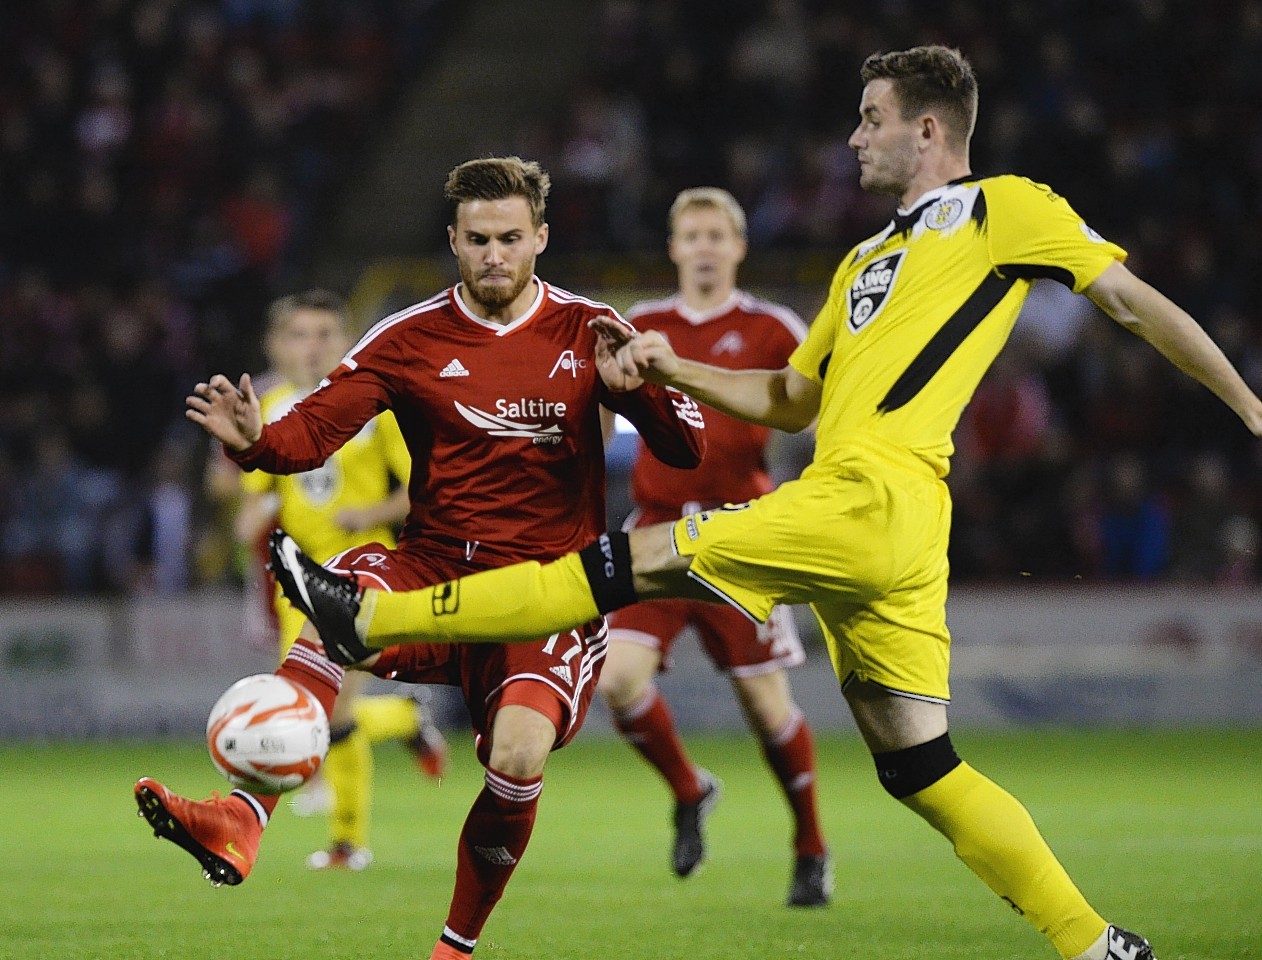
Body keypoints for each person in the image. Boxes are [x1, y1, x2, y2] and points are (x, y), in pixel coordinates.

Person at [269, 47, 1262, 960]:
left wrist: (1250, 408)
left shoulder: (1003, 207)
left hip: (868, 498)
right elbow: (792, 395)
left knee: (633, 558)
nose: (851, 137)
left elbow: (1130, 299)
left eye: (869, 119)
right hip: (885, 525)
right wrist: (671, 365)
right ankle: (1097, 946)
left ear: (926, 129)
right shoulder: (864, 261)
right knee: (917, 766)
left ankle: (371, 616)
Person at [139, 156, 704, 960]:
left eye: (512, 238)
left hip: (550, 592)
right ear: (453, 240)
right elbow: (319, 429)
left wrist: (640, 390)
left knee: (515, 756)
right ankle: (240, 819)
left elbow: (686, 449)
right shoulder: (408, 337)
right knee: (347, 590)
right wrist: (257, 442)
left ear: (541, 237)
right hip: (436, 568)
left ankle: (452, 948)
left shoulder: (589, 329)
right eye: (478, 239)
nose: (495, 255)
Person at [597, 187, 831, 905]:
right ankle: (690, 788)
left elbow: (823, 407)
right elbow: (600, 413)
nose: (702, 247)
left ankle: (810, 846)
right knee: (616, 679)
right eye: (690, 235)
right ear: (673, 248)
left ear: (738, 247)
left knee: (766, 709)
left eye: (714, 236)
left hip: (740, 533)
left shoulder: (770, 326)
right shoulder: (642, 325)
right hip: (658, 525)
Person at [232, 289, 449, 870]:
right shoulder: (272, 405)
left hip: (363, 573)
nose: (312, 347)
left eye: (325, 334)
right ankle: (405, 718)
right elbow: (259, 490)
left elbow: (420, 493)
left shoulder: (376, 408)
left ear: (345, 341)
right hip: (295, 585)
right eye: (299, 335)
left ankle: (348, 843)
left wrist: (372, 515)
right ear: (278, 345)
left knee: (328, 712)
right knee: (314, 714)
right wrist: (251, 512)